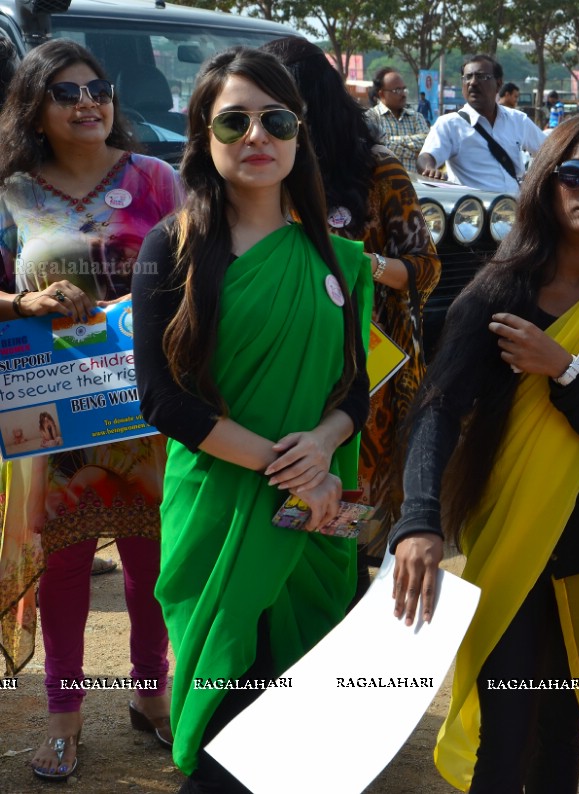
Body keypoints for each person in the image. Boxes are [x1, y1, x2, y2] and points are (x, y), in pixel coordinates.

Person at [388, 113, 579, 792]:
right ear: (546, 180)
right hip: (511, 540)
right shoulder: (496, 291)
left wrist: (565, 372)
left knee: (561, 738)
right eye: (577, 173)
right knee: (503, 735)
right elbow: (438, 409)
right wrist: (417, 519)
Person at [132, 47, 371, 792]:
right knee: (225, 734)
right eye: (233, 121)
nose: (256, 136)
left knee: (301, 738)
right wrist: (285, 464)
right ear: (203, 134)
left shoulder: (339, 260)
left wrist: (325, 443)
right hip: (220, 513)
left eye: (276, 120)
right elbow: (161, 399)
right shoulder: (167, 251)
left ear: (300, 134)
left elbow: (356, 393)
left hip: (313, 519)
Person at [0, 39, 180, 782]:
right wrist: (22, 300)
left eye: (98, 89)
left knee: (153, 561)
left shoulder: (157, 179)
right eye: (68, 93)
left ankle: (153, 698)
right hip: (57, 413)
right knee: (67, 562)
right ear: (37, 107)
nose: (89, 103)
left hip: (149, 403)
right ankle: (64, 718)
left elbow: (202, 269)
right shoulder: (10, 191)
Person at [261, 37, 441, 576]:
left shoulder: (376, 171)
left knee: (348, 528)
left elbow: (424, 265)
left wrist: (365, 267)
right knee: (281, 512)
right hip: (278, 370)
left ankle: (349, 617)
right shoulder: (254, 172)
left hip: (367, 377)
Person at [417, 54, 546, 191]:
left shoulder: (518, 120)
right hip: (475, 210)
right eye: (468, 77)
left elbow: (550, 151)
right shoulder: (450, 124)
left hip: (515, 208)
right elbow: (426, 157)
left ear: (498, 84)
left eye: (481, 77)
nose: (472, 82)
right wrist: (430, 169)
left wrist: (534, 178)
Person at [369, 66, 429, 176]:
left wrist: (389, 141)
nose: (403, 94)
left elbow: (427, 143)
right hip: (384, 186)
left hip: (416, 189)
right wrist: (414, 153)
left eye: (404, 89)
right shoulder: (371, 118)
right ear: (382, 94)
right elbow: (376, 148)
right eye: (397, 90)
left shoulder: (416, 117)